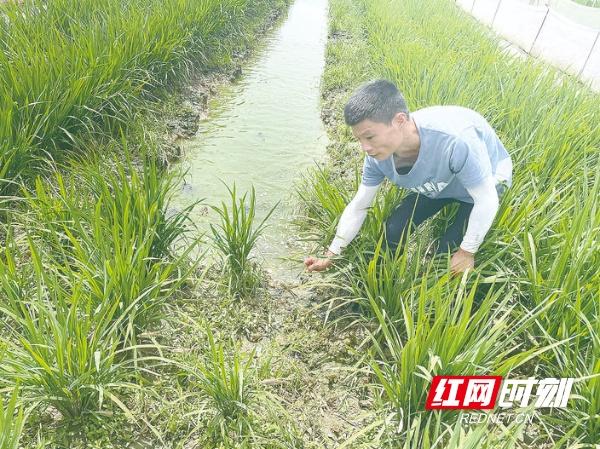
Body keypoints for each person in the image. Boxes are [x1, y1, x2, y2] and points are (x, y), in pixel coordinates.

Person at [304, 79, 512, 274]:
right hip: (437, 185)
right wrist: (331, 254)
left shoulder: (455, 141)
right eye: (359, 139)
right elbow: (360, 206)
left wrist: (467, 251)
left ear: (400, 120)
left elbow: (486, 199)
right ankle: (385, 283)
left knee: (446, 254)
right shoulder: (377, 156)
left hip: (482, 186)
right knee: (393, 230)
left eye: (370, 136)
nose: (365, 148)